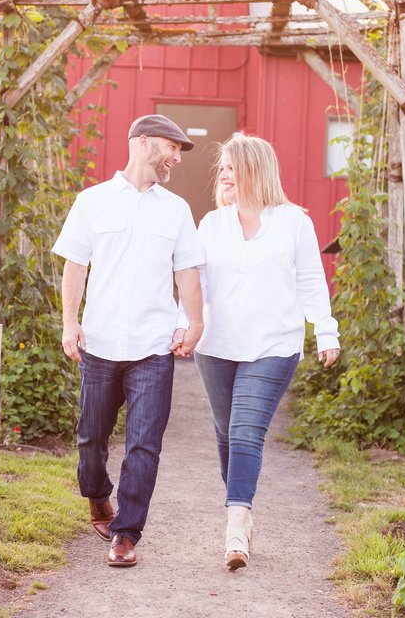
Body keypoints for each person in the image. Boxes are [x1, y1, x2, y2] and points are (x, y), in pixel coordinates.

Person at [53, 114, 205, 568]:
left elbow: (188, 271)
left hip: (153, 346)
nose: (176, 157)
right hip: (98, 342)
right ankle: (97, 495)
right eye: (171, 148)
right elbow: (75, 266)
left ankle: (126, 532)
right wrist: (69, 322)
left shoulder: (176, 209)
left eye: (179, 150)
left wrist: (193, 323)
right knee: (90, 436)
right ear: (142, 143)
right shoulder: (92, 201)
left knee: (144, 443)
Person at [188, 133, 340, 571]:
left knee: (244, 432)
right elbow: (195, 284)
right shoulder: (213, 224)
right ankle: (244, 510)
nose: (224, 175)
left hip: (273, 345)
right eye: (223, 169)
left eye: (232, 167)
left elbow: (311, 279)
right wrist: (185, 323)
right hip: (217, 345)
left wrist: (325, 332)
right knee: (226, 433)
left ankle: (235, 528)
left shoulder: (294, 222)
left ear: (256, 170)